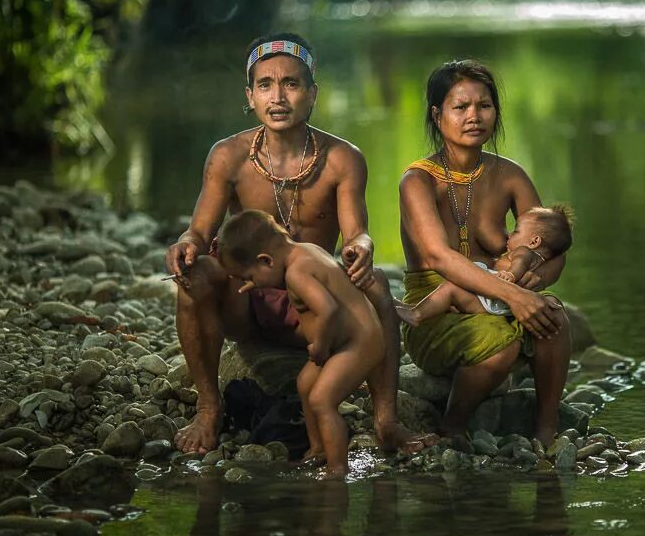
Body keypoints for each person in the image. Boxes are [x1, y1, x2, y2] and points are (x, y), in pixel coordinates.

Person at [165, 32, 432, 455]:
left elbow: (356, 231)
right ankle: (208, 407)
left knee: (377, 283)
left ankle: (387, 422)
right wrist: (185, 244)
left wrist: (360, 248)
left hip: (310, 305)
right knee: (194, 275)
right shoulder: (227, 156)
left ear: (312, 93)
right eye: (266, 84)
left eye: (291, 84)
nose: (278, 97)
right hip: (247, 301)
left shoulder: (342, 158)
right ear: (249, 95)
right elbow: (198, 232)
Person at [399, 59, 572, 445]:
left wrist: (535, 280)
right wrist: (515, 295)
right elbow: (440, 258)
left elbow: (553, 246)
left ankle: (547, 427)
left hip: (499, 300)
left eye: (484, 106)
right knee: (501, 343)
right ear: (437, 114)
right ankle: (453, 425)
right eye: (460, 107)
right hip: (438, 308)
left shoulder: (510, 174)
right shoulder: (417, 181)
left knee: (555, 317)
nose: (474, 116)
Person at [216, 210, 384, 477]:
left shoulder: (296, 273)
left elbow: (327, 309)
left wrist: (320, 345)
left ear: (266, 260)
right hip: (351, 337)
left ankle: (337, 468)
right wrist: (257, 282)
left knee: (321, 399)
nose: (250, 286)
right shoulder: (306, 252)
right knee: (305, 383)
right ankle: (317, 448)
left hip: (359, 342)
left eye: (248, 278)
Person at [397, 204, 574, 326]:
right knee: (456, 293)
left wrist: (511, 275)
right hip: (499, 302)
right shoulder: (536, 257)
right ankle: (416, 309)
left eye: (516, 230)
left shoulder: (524, 252)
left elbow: (520, 264)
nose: (509, 235)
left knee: (451, 288)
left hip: (496, 298)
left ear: (534, 241)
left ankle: (416, 314)